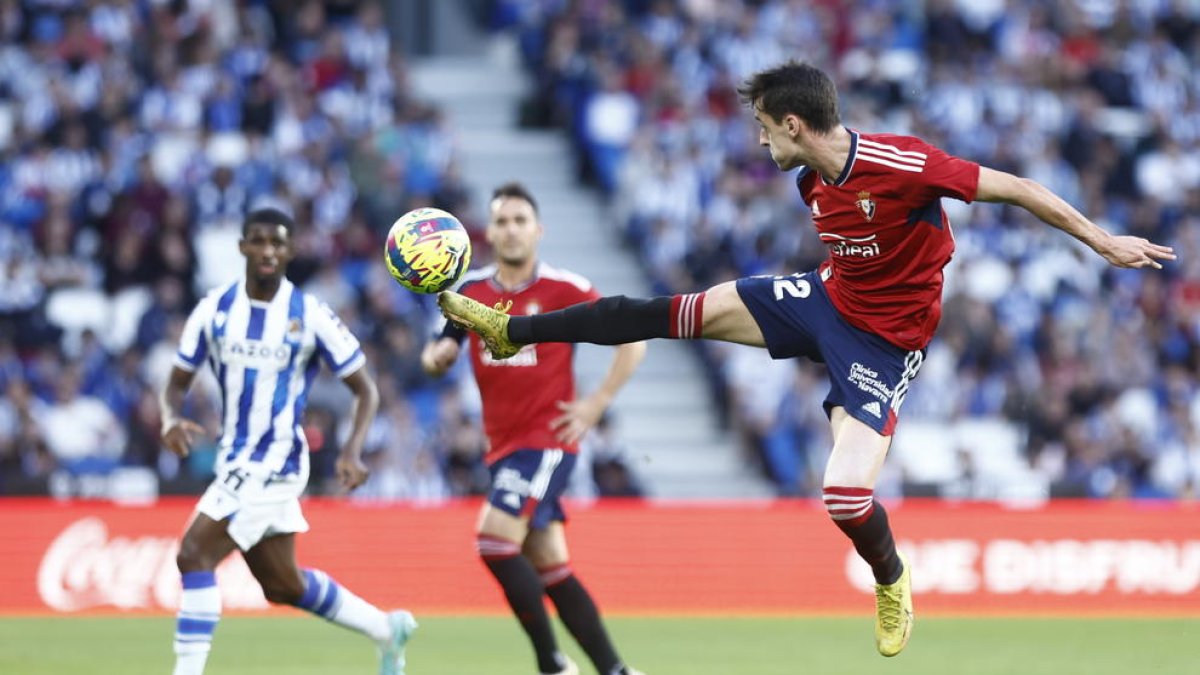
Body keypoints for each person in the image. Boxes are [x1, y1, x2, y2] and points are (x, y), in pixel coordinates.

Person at [436, 62, 1177, 658]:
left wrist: (1101, 239)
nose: (761, 143)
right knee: (669, 312)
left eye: (764, 128)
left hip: (885, 343)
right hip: (822, 299)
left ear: (793, 123)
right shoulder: (810, 180)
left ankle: (890, 575)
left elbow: (1014, 188)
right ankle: (513, 331)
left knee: (845, 497)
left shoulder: (901, 161)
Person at [160, 208, 416, 675]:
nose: (268, 251)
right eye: (258, 241)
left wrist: (352, 450)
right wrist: (170, 416)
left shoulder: (310, 314)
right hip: (235, 458)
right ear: (242, 247)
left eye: (278, 243)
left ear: (291, 251)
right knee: (283, 586)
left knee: (193, 552)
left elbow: (366, 388)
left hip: (276, 460)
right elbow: (176, 381)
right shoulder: (214, 309)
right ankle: (385, 628)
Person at [421, 183, 647, 675]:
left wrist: (596, 403)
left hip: (547, 441)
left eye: (520, 220)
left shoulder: (565, 289)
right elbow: (439, 351)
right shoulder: (471, 293)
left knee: (494, 542)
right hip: (502, 446)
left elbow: (632, 340)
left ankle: (551, 664)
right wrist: (437, 357)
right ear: (489, 232)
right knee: (551, 567)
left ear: (538, 230)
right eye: (501, 221)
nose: (511, 229)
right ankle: (616, 670)